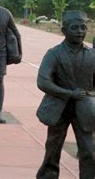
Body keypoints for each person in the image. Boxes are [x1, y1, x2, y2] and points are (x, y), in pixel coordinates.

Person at [36, 10, 94, 179]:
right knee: (53, 149)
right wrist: (68, 93)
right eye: (75, 28)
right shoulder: (53, 54)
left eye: (83, 27)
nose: (80, 31)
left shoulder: (92, 55)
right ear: (64, 31)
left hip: (85, 110)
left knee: (89, 151)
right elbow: (43, 82)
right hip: (58, 109)